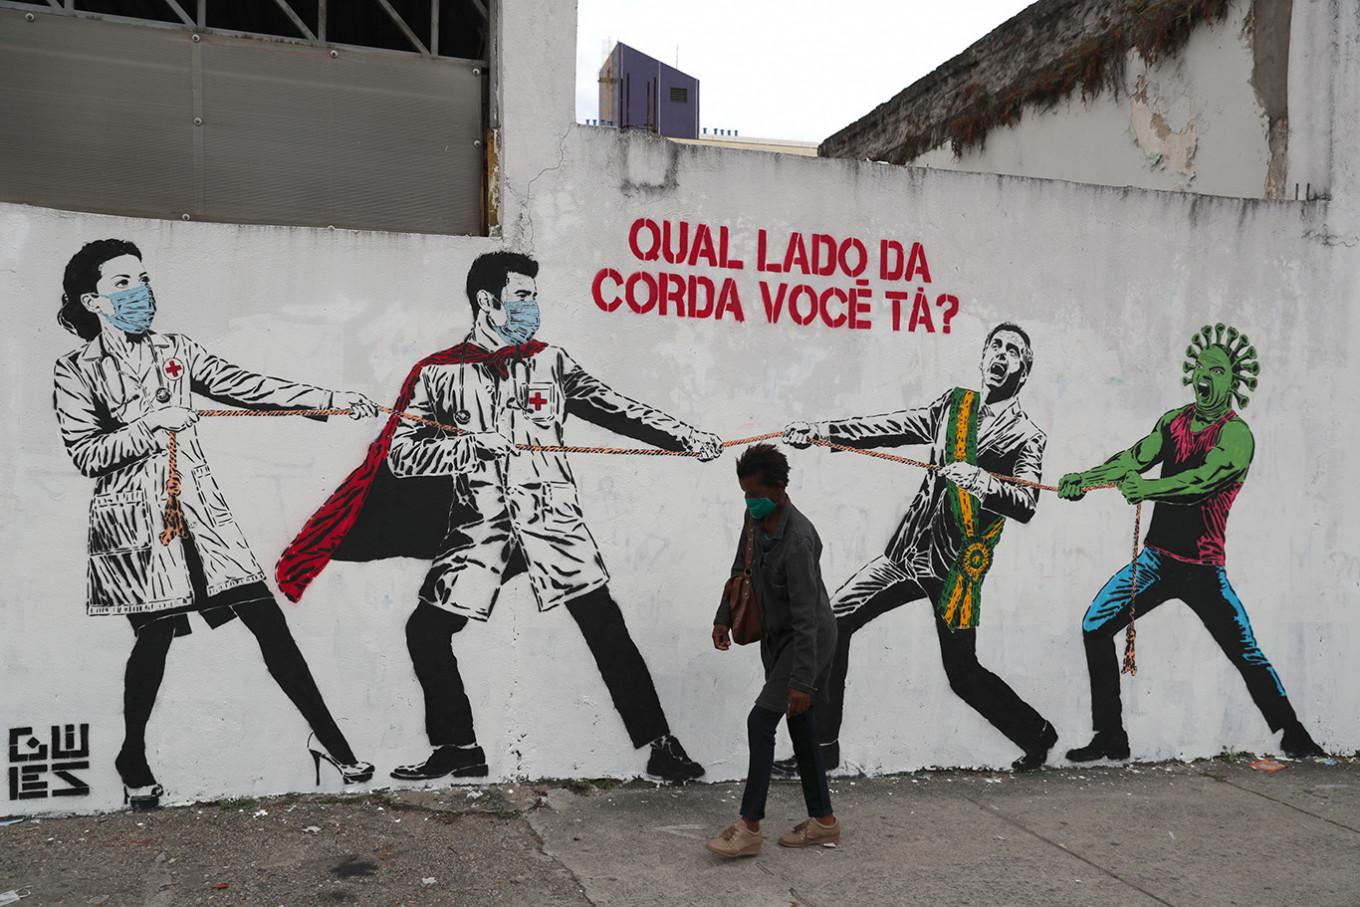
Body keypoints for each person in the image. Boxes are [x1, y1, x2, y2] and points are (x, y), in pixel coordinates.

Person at [277, 251, 724, 783]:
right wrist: (468, 449)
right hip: (481, 525)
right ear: (487, 301)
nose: (533, 308)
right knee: (426, 632)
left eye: (534, 297)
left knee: (604, 624)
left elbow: (617, 407)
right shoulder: (437, 373)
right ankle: (458, 747)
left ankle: (661, 746)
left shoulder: (552, 361)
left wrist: (685, 437)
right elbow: (401, 454)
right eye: (523, 297)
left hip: (551, 520)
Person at [52, 239, 379, 809]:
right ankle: (132, 756)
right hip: (137, 527)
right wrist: (153, 425)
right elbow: (86, 453)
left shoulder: (175, 350)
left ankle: (333, 743)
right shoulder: (75, 370)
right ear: (93, 300)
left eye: (143, 278)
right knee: (153, 642)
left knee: (268, 623)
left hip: (202, 520)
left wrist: (329, 399)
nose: (141, 292)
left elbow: (246, 385)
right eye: (123, 283)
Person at [782, 323, 1058, 774]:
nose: (1001, 356)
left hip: (955, 570)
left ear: (1023, 373)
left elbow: (1026, 503)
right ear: (984, 354)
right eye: (996, 346)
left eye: (1013, 352)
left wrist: (984, 483)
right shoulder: (955, 405)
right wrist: (819, 431)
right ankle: (823, 747)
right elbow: (892, 426)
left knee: (962, 675)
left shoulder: (1027, 436)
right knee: (832, 622)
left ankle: (1037, 734)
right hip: (907, 553)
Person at [1058, 324, 1325, 762]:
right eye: (1200, 368)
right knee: (1094, 626)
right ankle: (1111, 735)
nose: (1204, 377)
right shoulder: (1175, 422)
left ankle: (1294, 734)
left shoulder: (1236, 436)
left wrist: (1147, 490)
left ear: (1231, 381)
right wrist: (1084, 481)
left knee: (1245, 652)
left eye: (1215, 370)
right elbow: (1135, 457)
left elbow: (1202, 483)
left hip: (1203, 569)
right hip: (1158, 562)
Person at [706, 444, 840, 859]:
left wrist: (802, 679)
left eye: (757, 494)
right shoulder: (755, 518)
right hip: (778, 640)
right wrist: (723, 616)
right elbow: (739, 570)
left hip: (808, 641)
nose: (750, 502)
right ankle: (823, 822)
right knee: (800, 726)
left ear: (780, 488)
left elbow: (806, 617)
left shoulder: (798, 540)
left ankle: (749, 827)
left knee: (760, 720)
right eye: (745, 494)